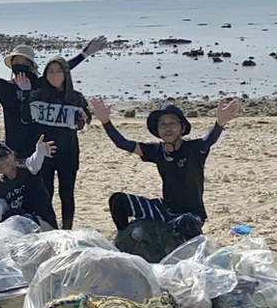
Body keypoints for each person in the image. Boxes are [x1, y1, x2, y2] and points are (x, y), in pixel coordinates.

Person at [89, 97, 240, 240]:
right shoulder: (156, 151)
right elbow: (122, 143)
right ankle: (125, 238)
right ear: (157, 130)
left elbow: (209, 139)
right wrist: (105, 121)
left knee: (186, 223)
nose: (168, 128)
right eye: (162, 124)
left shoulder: (195, 148)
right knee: (118, 200)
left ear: (182, 128)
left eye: (173, 123)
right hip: (164, 210)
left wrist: (220, 123)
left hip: (191, 215)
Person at [0, 33, 107, 158]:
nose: (20, 65)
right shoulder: (5, 89)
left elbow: (60, 69)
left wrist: (84, 54)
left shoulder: (39, 85)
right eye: (17, 62)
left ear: (31, 65)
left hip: (39, 148)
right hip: (14, 148)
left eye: (24, 62)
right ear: (11, 65)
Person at [17, 59, 90, 229]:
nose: (55, 74)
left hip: (68, 152)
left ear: (66, 73)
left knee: (67, 194)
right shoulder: (38, 94)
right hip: (45, 152)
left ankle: (67, 230)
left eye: (59, 70)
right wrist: (25, 94)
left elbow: (85, 125)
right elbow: (26, 118)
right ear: (45, 74)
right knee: (45, 193)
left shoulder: (76, 97)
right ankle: (49, 228)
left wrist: (83, 119)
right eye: (50, 71)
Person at [0, 136, 59, 230]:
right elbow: (2, 203)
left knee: (15, 215)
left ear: (11, 154)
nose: (1, 162)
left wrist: (39, 153)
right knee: (4, 219)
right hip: (24, 231)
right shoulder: (0, 185)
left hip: (44, 226)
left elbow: (33, 165)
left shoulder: (25, 170)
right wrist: (0, 207)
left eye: (2, 156)